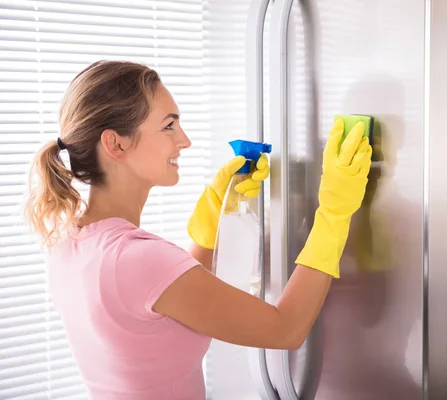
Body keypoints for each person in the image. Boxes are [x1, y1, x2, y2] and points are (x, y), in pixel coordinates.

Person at [24, 60, 371, 399]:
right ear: (116, 144)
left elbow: (168, 305)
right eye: (168, 126)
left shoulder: (70, 241)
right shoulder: (137, 259)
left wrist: (211, 223)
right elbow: (285, 328)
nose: (184, 140)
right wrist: (334, 212)